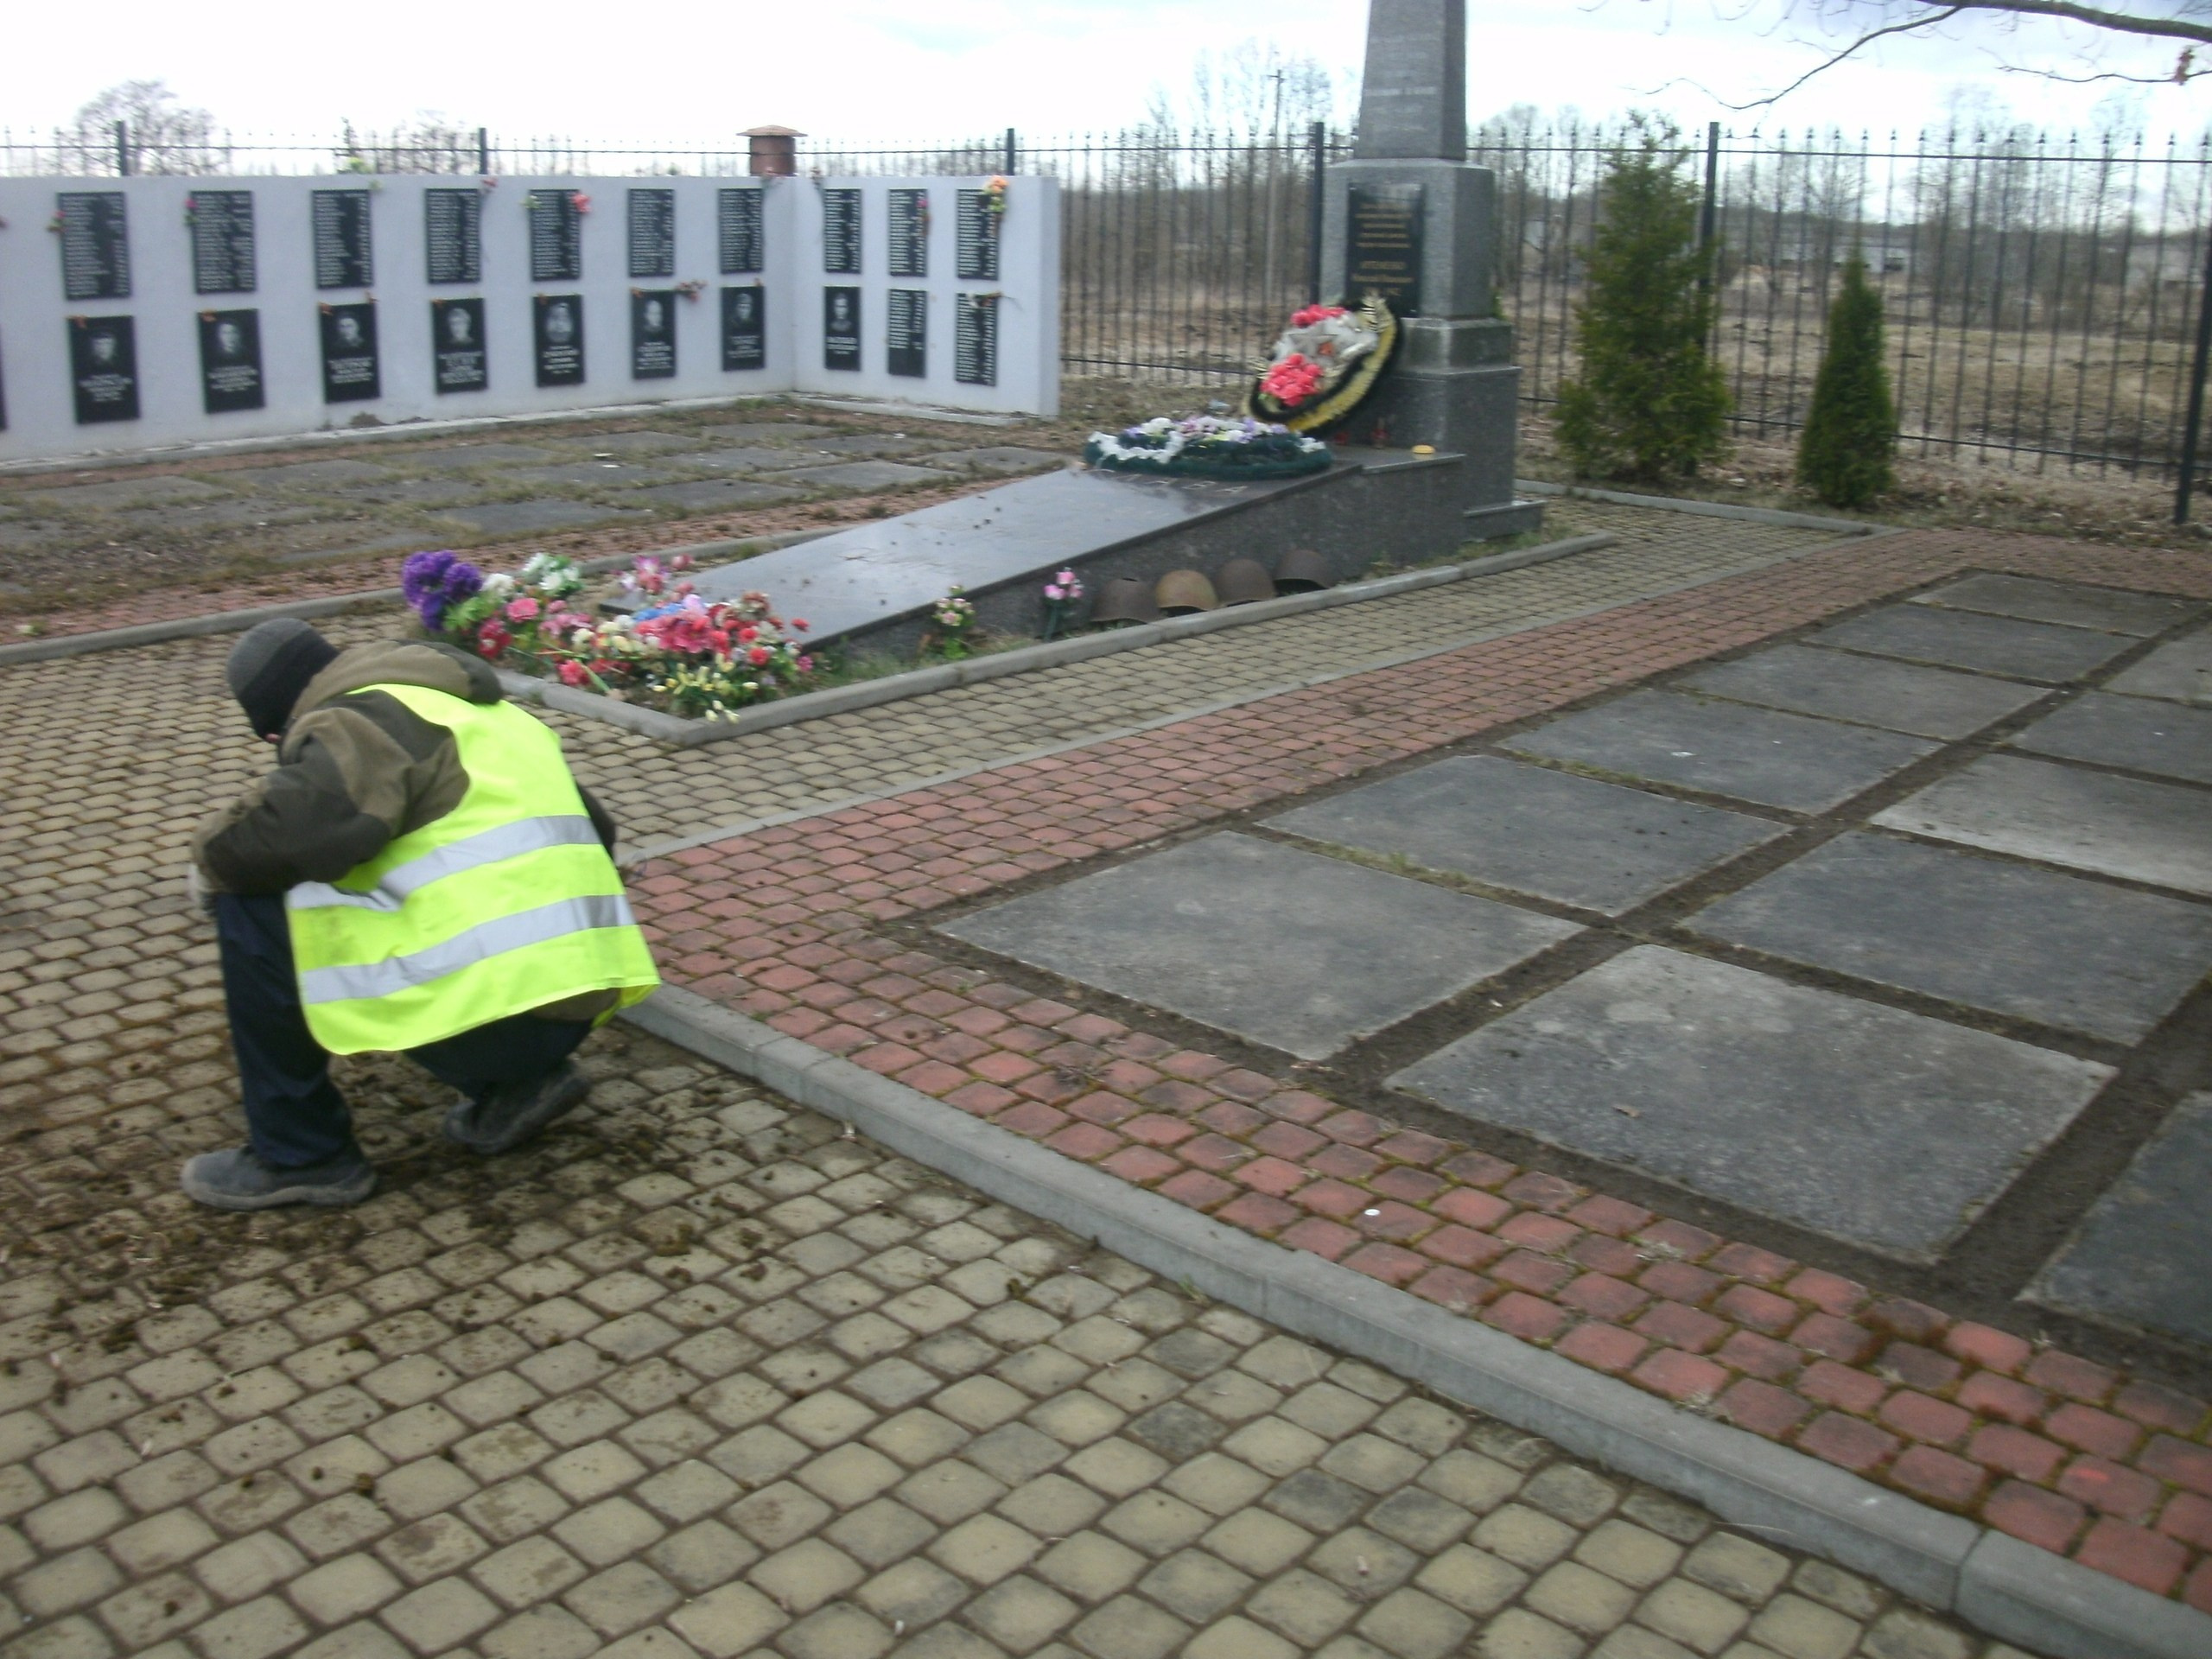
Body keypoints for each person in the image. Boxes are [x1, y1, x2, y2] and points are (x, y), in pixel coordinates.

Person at [183, 619, 661, 1211]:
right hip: (578, 999)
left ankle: (301, 1152)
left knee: (249, 899)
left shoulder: (358, 721)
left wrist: (209, 862)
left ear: (282, 715)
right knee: (416, 904)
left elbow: (286, 834)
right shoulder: (485, 714)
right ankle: (515, 1087)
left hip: (498, 1012)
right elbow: (600, 830)